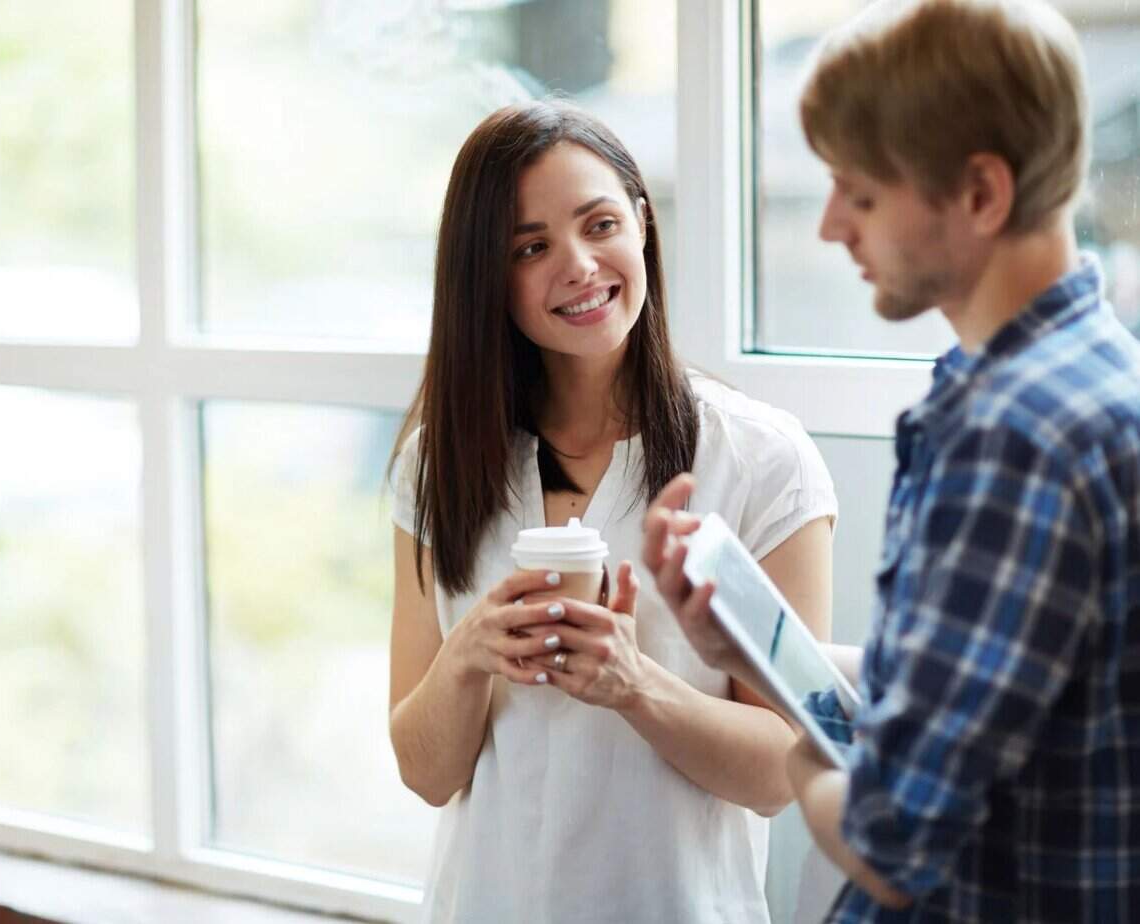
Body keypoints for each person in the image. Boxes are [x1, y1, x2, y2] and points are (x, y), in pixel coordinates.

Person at [647, 1, 1140, 921]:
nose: (832, 226)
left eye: (862, 193)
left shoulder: (1012, 438)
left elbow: (885, 834)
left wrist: (799, 746)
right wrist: (755, 652)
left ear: (981, 195)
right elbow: (988, 691)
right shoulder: (1091, 371)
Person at [387, 99, 837, 923]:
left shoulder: (761, 459)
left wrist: (635, 685)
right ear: (486, 278)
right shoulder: (438, 463)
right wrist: (466, 655)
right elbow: (424, 773)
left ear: (641, 223)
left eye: (598, 225)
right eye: (530, 247)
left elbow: (782, 771)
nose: (579, 265)